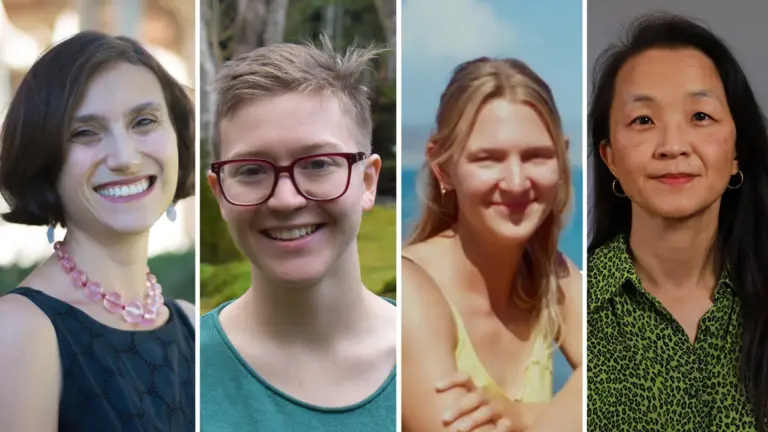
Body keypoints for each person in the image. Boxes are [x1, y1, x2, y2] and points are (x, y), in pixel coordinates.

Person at [0, 31, 196, 431]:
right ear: (46, 160)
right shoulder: (19, 333)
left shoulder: (193, 325)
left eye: (144, 122)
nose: (125, 158)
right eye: (84, 132)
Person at [199, 36, 397, 431]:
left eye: (319, 164)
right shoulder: (183, 370)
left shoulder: (432, 354)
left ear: (368, 182)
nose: (286, 200)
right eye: (253, 170)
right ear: (220, 194)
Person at [588, 13, 768, 431]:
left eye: (700, 116)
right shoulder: (571, 311)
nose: (672, 146)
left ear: (737, 149)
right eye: (643, 120)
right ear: (609, 157)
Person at [401, 57, 582, 432]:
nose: (516, 182)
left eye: (536, 156)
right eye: (488, 159)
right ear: (443, 166)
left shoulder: (553, 275)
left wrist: (524, 418)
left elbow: (648, 364)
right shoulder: (412, 294)